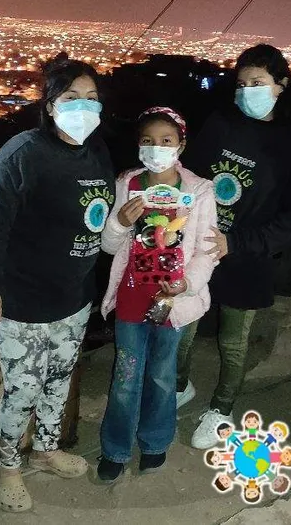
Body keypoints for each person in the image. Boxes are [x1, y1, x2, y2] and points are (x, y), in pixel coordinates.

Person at [0, 53, 115, 513]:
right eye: (72, 97)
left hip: (74, 297)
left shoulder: (97, 151)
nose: (84, 106)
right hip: (23, 300)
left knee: (59, 381)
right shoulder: (23, 153)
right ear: (50, 106)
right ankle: (8, 467)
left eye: (92, 98)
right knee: (22, 391)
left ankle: (47, 450)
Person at [176, 44, 291, 449]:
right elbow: (191, 176)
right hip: (201, 247)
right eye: (241, 84)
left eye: (258, 82)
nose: (247, 91)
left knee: (233, 341)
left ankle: (222, 408)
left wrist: (236, 242)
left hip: (247, 257)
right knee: (182, 328)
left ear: (281, 85)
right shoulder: (221, 124)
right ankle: (179, 386)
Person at [96, 107, 218, 483]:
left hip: (172, 302)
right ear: (138, 145)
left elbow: (207, 249)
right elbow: (109, 245)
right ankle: (115, 448)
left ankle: (155, 442)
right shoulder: (128, 183)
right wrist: (120, 222)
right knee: (126, 377)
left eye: (166, 140)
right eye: (148, 141)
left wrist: (187, 284)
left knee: (163, 376)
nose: (157, 148)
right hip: (132, 299)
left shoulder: (199, 191)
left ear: (181, 144)